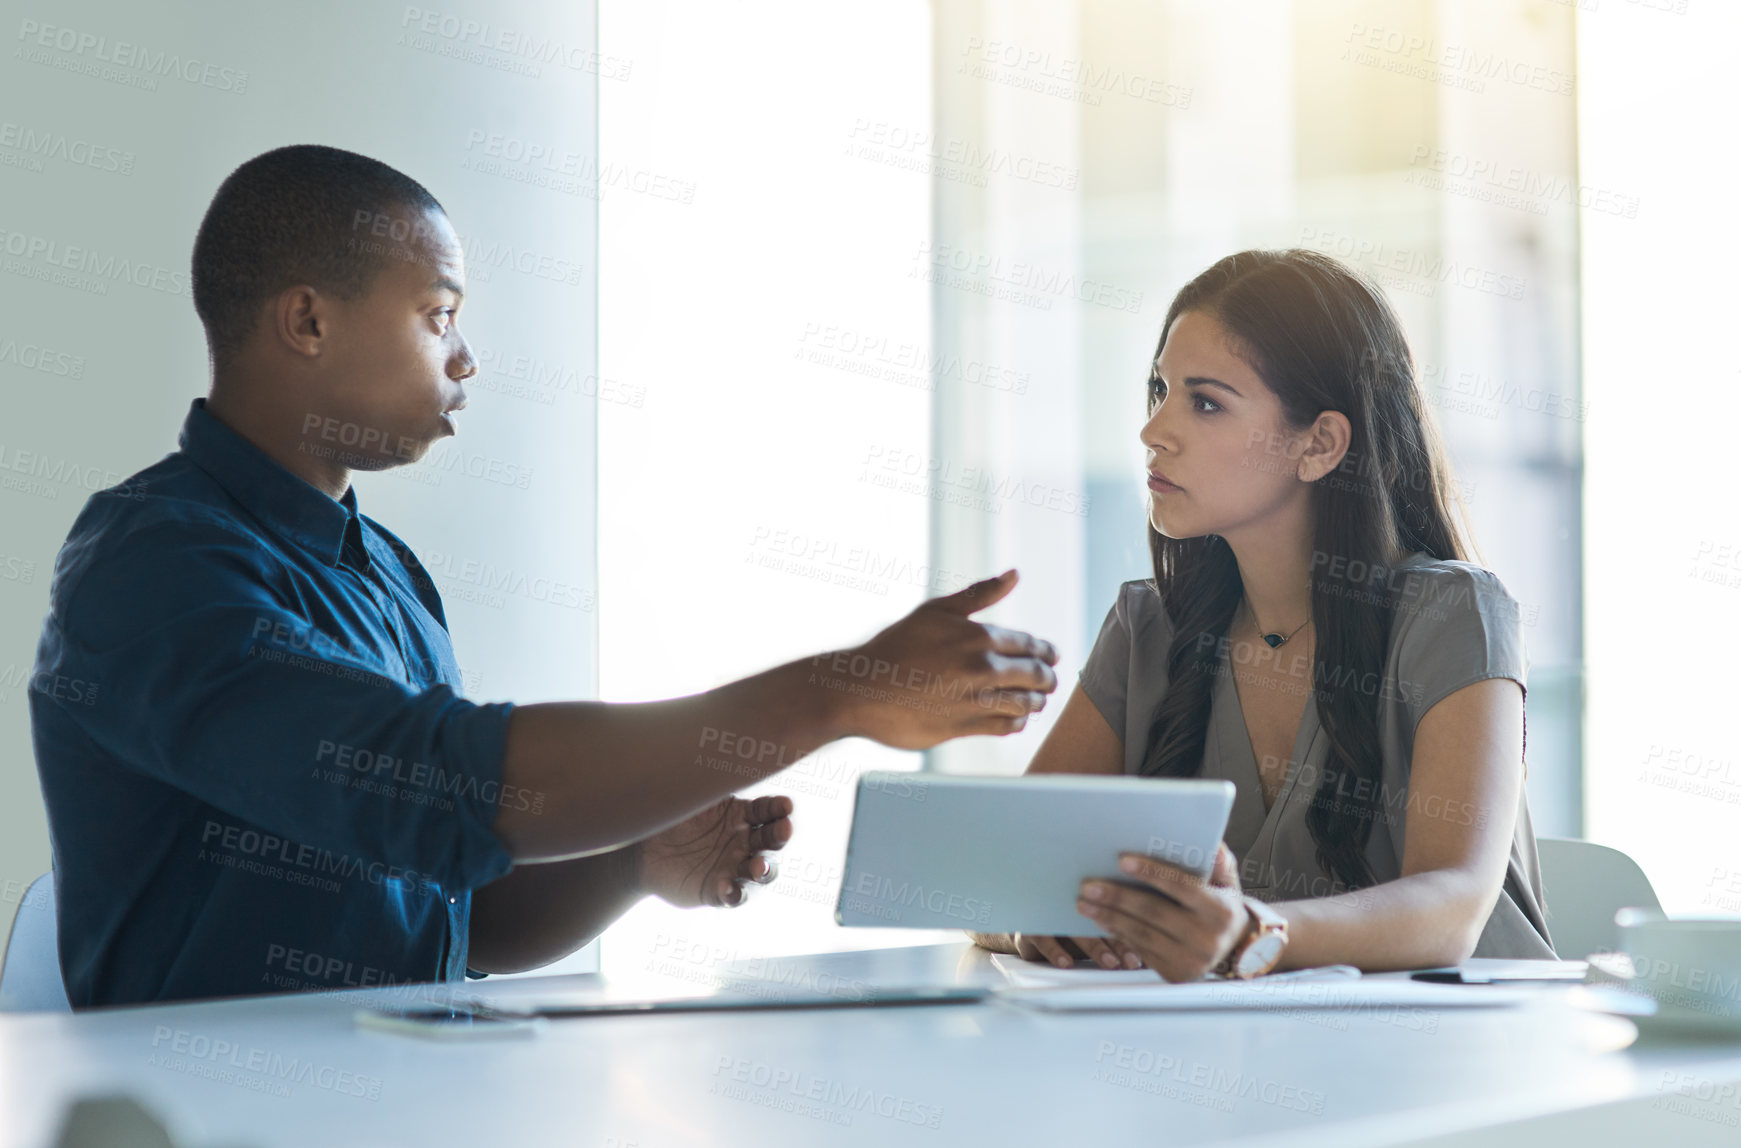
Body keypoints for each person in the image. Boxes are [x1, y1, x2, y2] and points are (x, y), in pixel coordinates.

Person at [29, 145, 1059, 1007]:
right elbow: (439, 783)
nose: (466, 357)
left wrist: (630, 861)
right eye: (438, 313)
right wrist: (838, 689)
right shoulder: (153, 567)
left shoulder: (389, 574)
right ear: (308, 321)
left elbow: (464, 902)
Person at [972, 249, 1553, 980]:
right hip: (1241, 1059)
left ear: (1318, 444)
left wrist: (1253, 931)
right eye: (1159, 389)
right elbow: (995, 869)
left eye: (1205, 402)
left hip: (1472, 1063)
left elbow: (1453, 905)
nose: (1154, 430)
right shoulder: (1148, 627)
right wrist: (1037, 918)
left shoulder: (1452, 614)